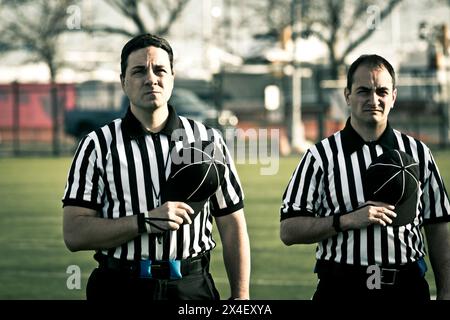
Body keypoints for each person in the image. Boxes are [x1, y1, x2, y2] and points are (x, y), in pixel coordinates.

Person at [62, 34, 250, 300]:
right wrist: (144, 221)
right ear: (123, 82)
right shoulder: (97, 145)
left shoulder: (207, 141)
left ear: (172, 77)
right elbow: (74, 233)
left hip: (191, 286)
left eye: (160, 69)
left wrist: (241, 296)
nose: (151, 78)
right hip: (120, 286)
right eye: (139, 71)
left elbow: (232, 222)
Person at [280, 54, 450, 301]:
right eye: (363, 91)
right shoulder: (320, 156)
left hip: (406, 287)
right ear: (347, 96)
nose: (373, 99)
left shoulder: (418, 153)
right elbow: (288, 230)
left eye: (382, 91)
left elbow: (438, 225)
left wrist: (446, 291)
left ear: (393, 96)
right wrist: (346, 220)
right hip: (341, 288)